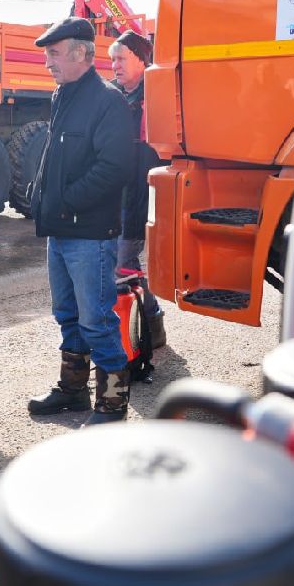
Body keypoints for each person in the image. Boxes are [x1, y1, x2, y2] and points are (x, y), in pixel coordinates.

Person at [25, 17, 135, 426]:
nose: (48, 63)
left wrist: (66, 201)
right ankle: (73, 391)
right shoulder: (62, 95)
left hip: (89, 234)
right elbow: (57, 156)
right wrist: (42, 195)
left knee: (97, 321)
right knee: (68, 315)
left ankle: (113, 405)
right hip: (61, 229)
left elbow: (114, 167)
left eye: (54, 54)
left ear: (81, 53)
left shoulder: (108, 101)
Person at [108, 30, 166, 348]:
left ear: (141, 60)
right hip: (117, 195)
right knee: (124, 265)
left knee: (123, 263)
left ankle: (144, 330)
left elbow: (151, 158)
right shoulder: (113, 95)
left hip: (143, 194)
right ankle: (152, 327)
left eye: (120, 59)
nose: (114, 65)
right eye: (112, 60)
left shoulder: (156, 95)